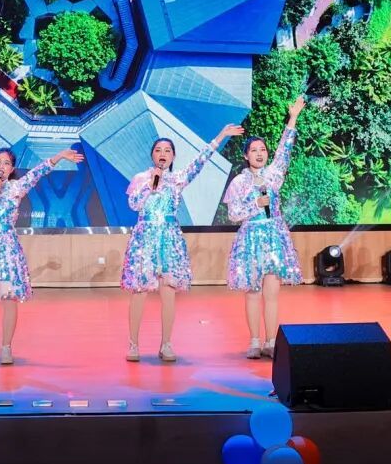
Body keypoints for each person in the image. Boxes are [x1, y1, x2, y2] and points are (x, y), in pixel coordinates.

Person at [123, 123, 244, 363]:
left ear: (173, 156)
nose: (163, 154)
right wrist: (150, 184)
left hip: (169, 238)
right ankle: (133, 344)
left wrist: (220, 135)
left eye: (168, 150)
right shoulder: (141, 178)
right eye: (158, 150)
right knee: (139, 291)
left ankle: (166, 344)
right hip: (145, 238)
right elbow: (134, 205)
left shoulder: (178, 179)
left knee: (168, 292)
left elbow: (200, 161)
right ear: (152, 155)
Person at [0, 146, 84, 365]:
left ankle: (6, 347)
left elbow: (37, 173)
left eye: (6, 163)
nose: (1, 167)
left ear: (12, 169)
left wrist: (58, 157)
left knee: (9, 298)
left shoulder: (16, 188)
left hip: (8, 247)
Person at [225, 97, 304, 359]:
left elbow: (285, 150)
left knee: (271, 293)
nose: (260, 154)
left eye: (263, 150)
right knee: (253, 292)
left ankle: (271, 341)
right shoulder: (238, 182)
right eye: (254, 150)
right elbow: (233, 214)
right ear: (246, 155)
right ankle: (254, 341)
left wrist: (293, 118)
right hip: (251, 239)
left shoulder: (273, 175)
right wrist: (255, 204)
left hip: (274, 236)